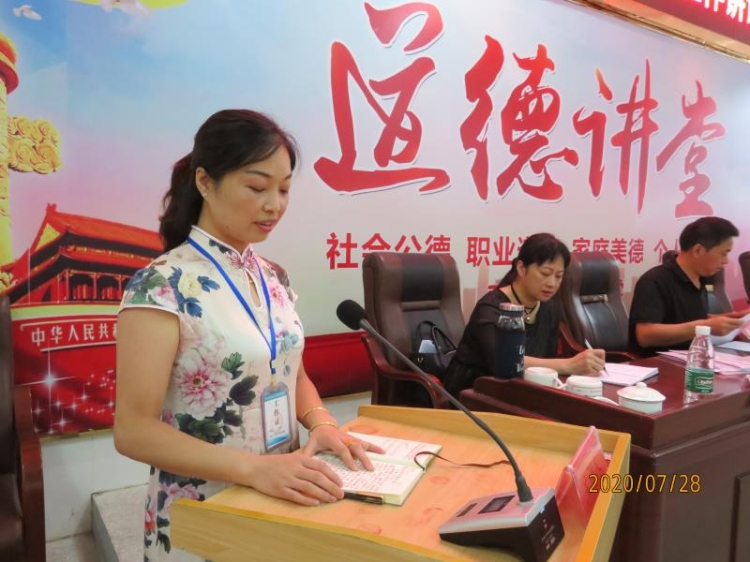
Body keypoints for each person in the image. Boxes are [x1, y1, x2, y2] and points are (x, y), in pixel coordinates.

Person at [114, 109, 380, 561]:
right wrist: (255, 469)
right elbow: (133, 431)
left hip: (283, 490)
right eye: (257, 188)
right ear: (205, 182)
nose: (274, 205)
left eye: (284, 189)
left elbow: (291, 373)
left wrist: (322, 424)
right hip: (203, 510)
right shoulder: (160, 285)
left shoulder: (273, 276)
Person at [443, 233, 605, 397]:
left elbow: (547, 362)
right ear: (521, 268)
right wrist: (568, 365)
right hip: (472, 394)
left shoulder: (549, 309)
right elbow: (504, 361)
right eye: (545, 273)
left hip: (523, 392)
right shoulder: (491, 308)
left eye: (558, 276)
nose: (552, 283)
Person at [629, 216, 746, 356]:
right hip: (658, 364)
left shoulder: (700, 279)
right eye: (723, 254)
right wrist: (705, 326)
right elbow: (645, 335)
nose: (726, 261)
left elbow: (685, 317)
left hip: (693, 358)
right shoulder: (654, 281)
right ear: (698, 251)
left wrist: (732, 319)